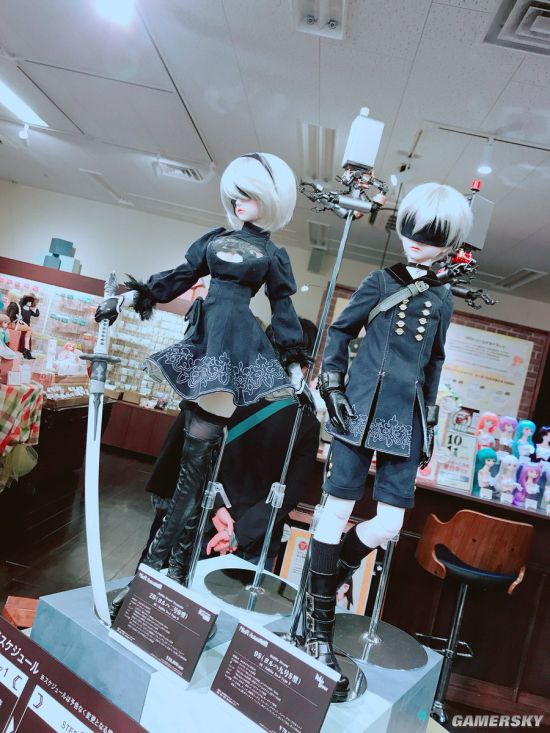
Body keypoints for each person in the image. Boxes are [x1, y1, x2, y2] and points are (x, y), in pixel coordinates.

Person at [96, 152, 313, 589]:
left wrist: (294, 368)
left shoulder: (272, 254)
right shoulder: (214, 240)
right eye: (236, 194)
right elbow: (177, 277)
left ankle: (156, 572)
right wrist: (127, 298)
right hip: (205, 339)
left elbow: (283, 309)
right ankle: (168, 571)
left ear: (270, 199)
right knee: (192, 474)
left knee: (192, 474)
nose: (238, 202)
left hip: (233, 346)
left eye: (248, 195)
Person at [307, 182, 473, 701]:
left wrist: (430, 421)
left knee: (390, 523)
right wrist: (332, 385)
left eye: (431, 236)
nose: (416, 242)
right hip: (359, 409)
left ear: (448, 243)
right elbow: (340, 332)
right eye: (412, 231)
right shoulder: (381, 281)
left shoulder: (443, 298)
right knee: (335, 510)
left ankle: (334, 570)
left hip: (405, 418)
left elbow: (435, 363)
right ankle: (318, 630)